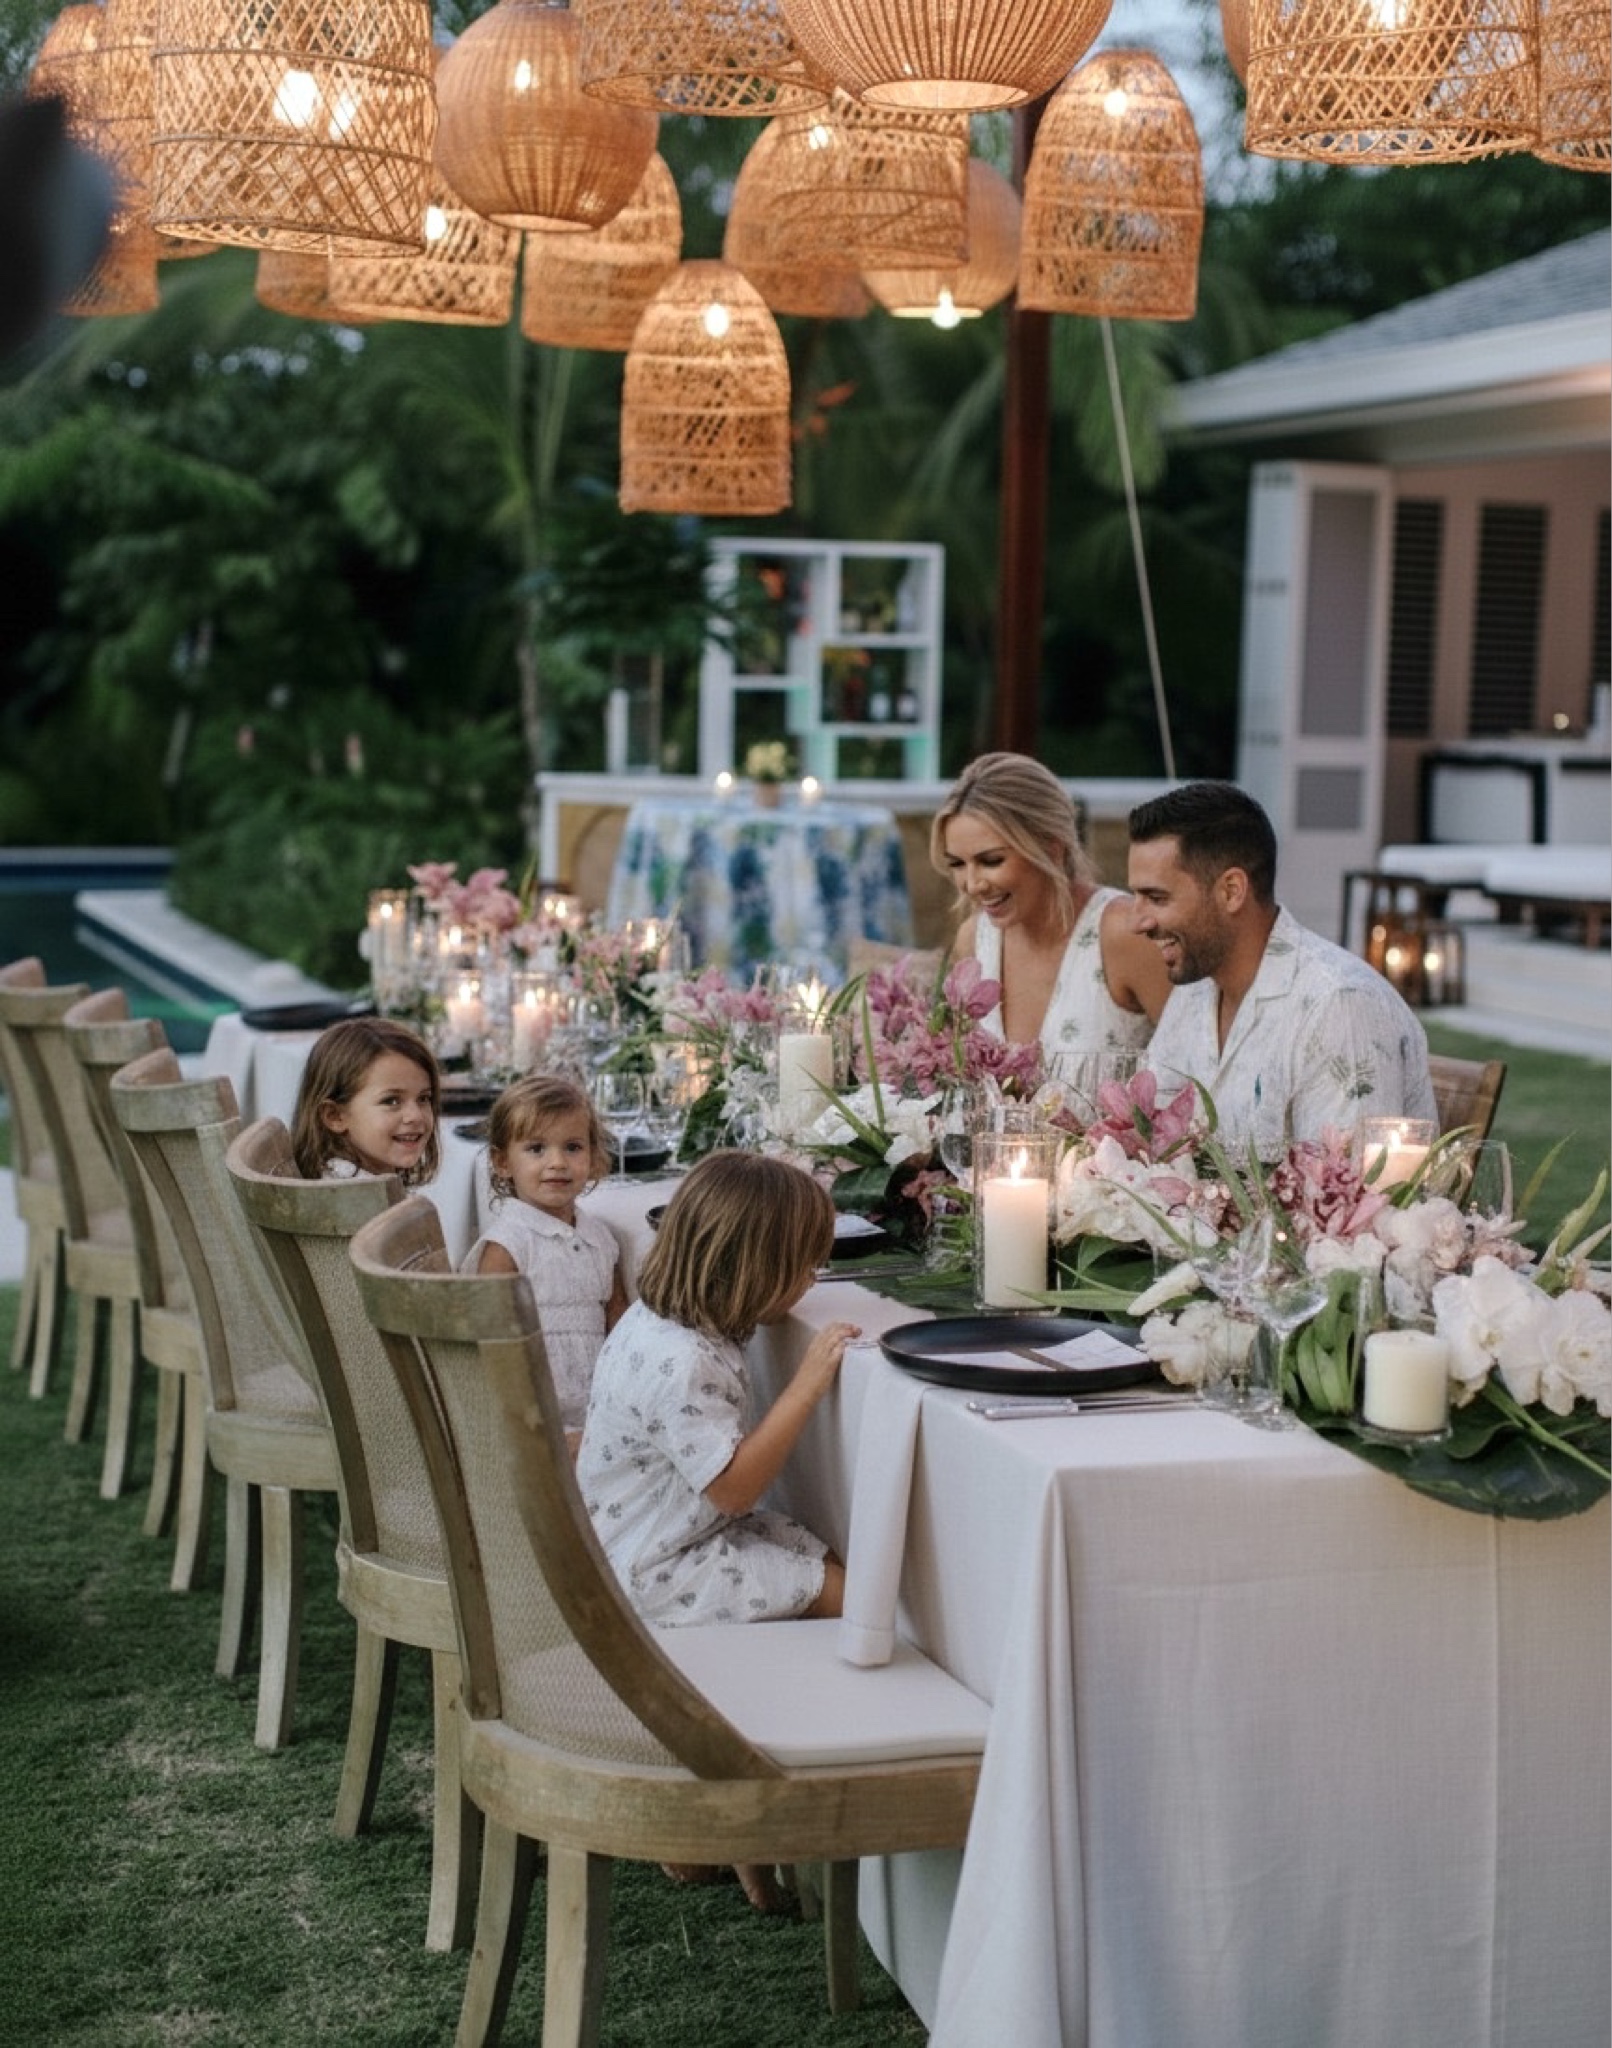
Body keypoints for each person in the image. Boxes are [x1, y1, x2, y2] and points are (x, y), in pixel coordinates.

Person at [1127, 781, 1437, 1155]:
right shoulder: (1194, 989)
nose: (1136, 921)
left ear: (1231, 891)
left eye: (1156, 898)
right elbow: (1150, 1137)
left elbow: (1346, 1186)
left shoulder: (1340, 1007)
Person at [931, 752, 1170, 1064]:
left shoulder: (1127, 933)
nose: (973, 884)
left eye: (991, 861)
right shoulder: (974, 939)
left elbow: (1198, 1071)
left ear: (1051, 848)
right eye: (957, 864)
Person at [461, 1075, 627, 1440]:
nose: (557, 1162)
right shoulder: (507, 1245)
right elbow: (489, 1340)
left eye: (572, 1147)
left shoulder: (599, 1238)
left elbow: (620, 1323)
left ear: (593, 1156)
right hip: (531, 1413)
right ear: (503, 1162)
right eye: (536, 1149)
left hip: (597, 1407)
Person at [290, 1016, 441, 1185]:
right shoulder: (355, 1195)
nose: (416, 1116)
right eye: (391, 1101)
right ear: (335, 1116)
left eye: (423, 1098)